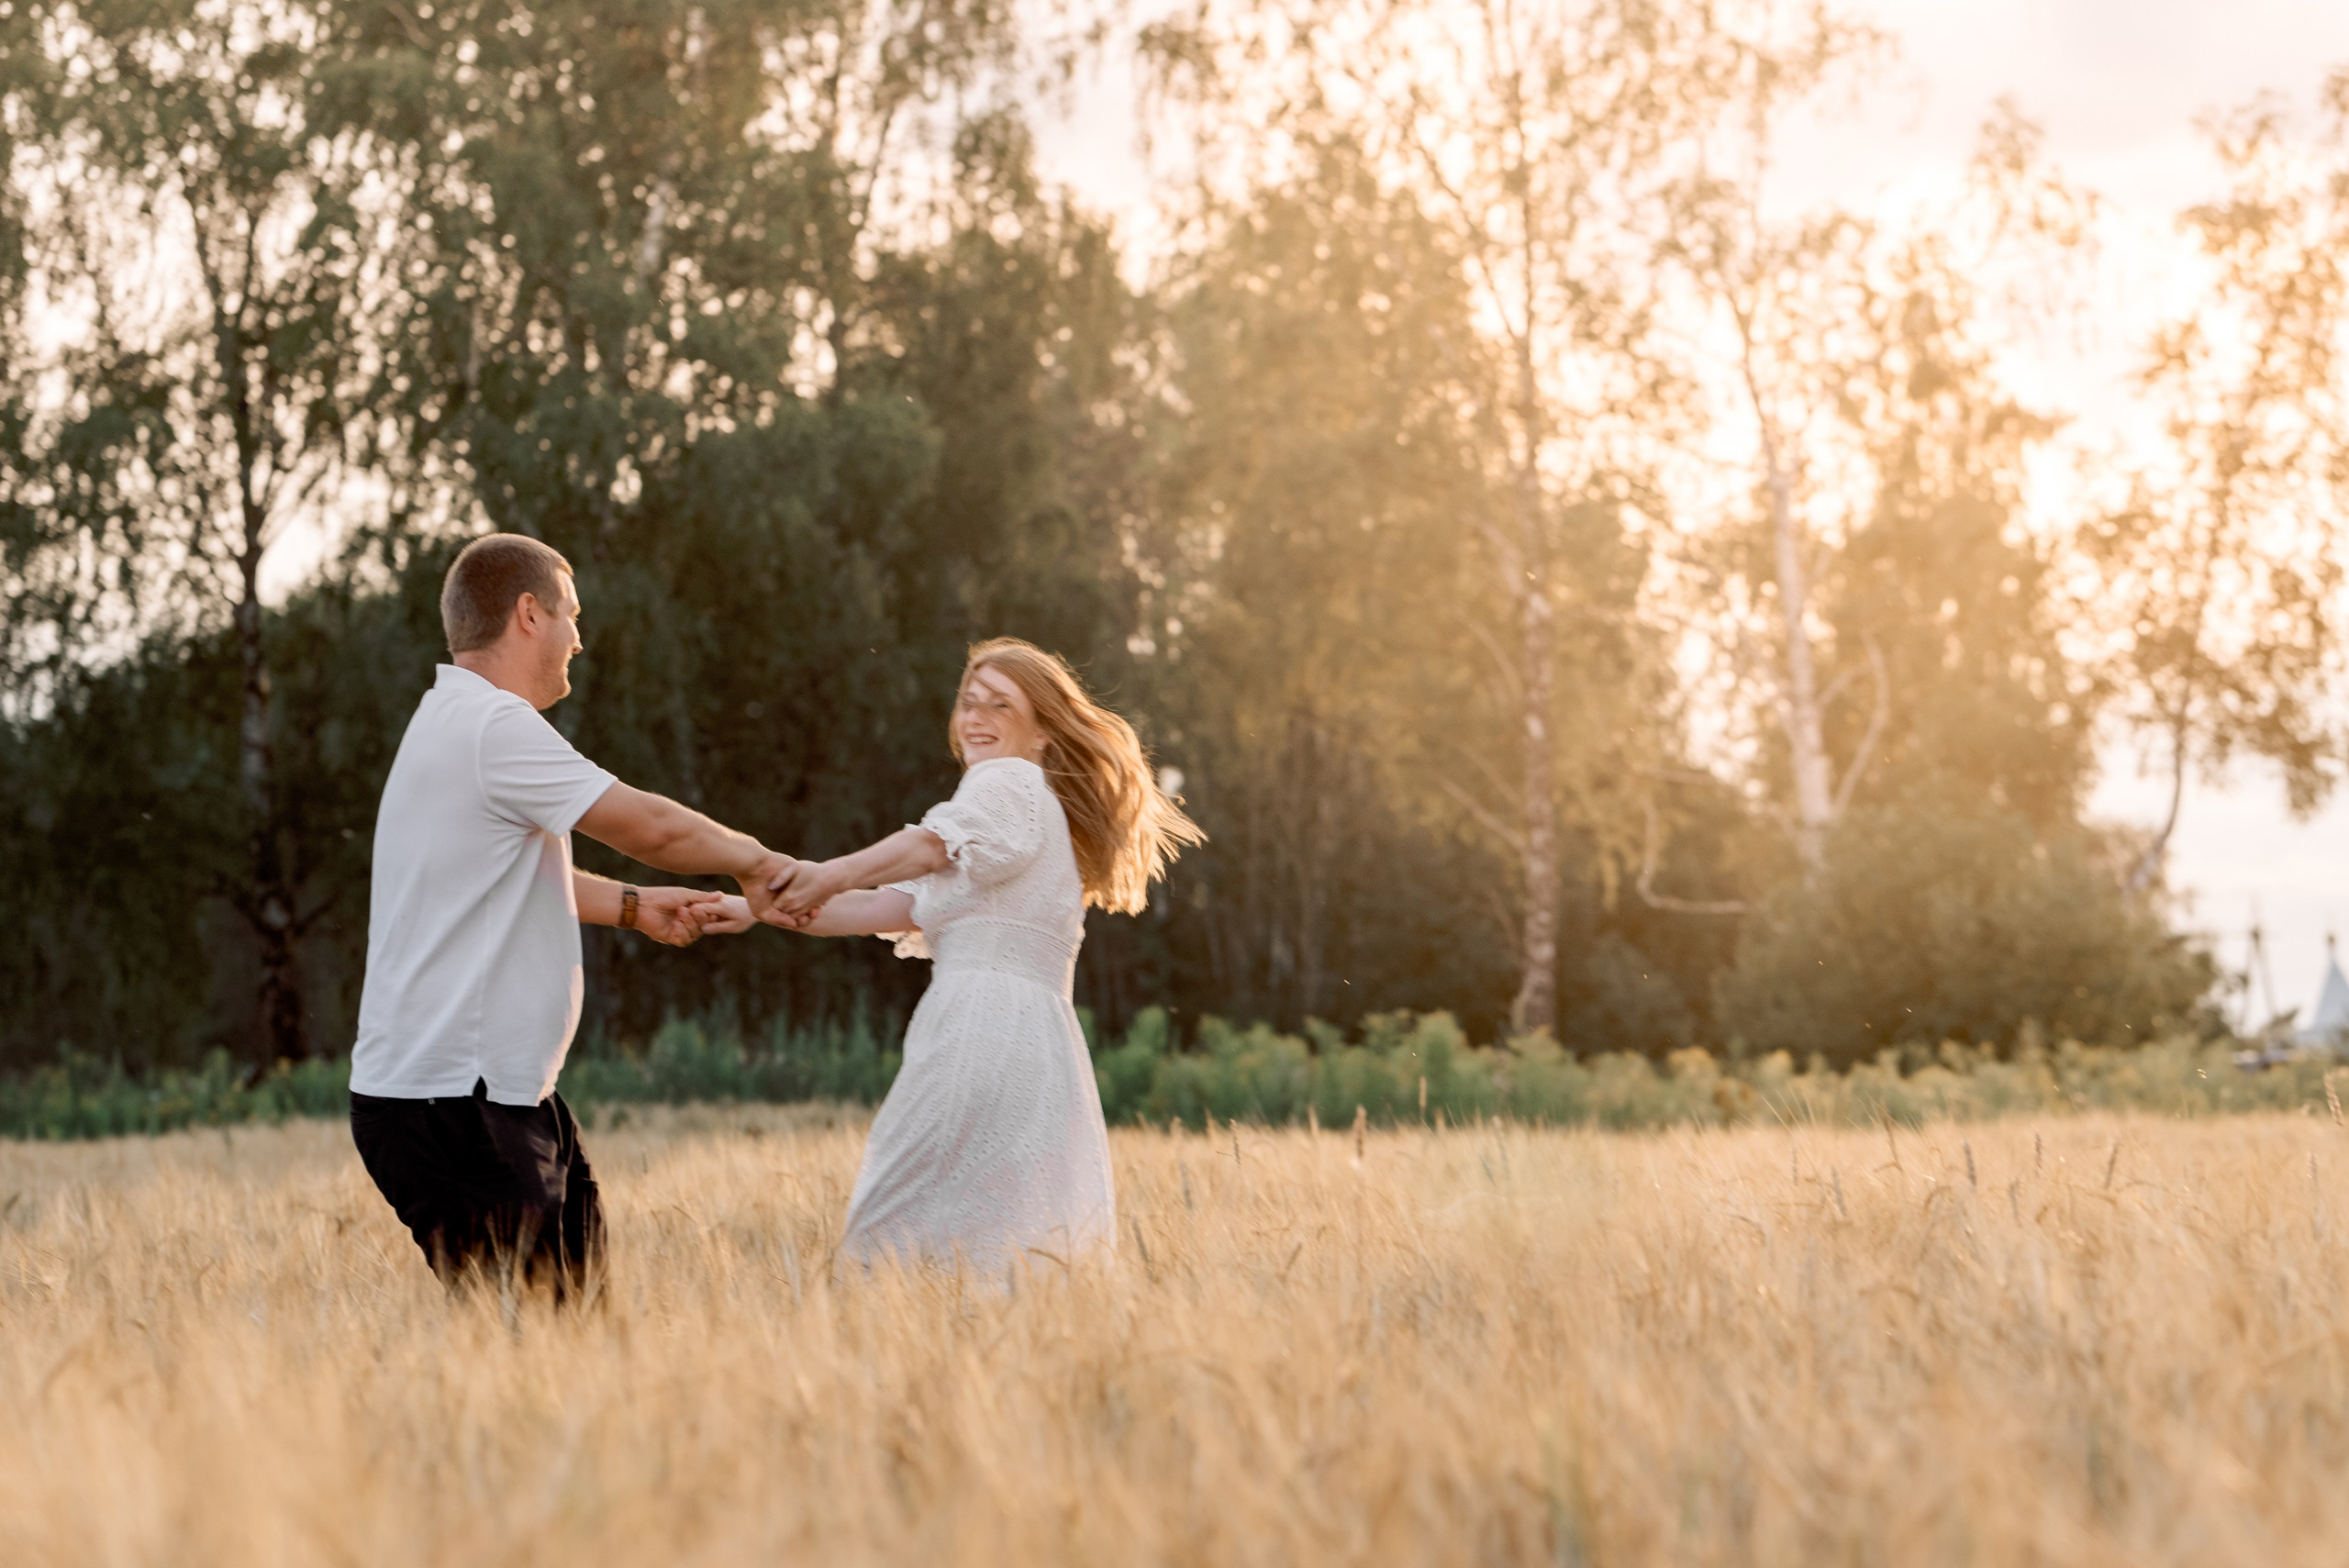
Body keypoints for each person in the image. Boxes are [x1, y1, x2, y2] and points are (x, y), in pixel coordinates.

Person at [349, 534, 792, 1302]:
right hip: (456, 1102)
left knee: (573, 1332)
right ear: (529, 613)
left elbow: (511, 876)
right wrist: (764, 864)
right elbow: (648, 826)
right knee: (535, 1344)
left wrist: (633, 907)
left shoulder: (452, 720)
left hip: (496, 1096)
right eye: (571, 615)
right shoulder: (494, 728)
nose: (579, 639)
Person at [706, 638, 1202, 1273]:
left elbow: (927, 849)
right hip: (1038, 1040)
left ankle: (885, 1352)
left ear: (1043, 729)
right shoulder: (1021, 816)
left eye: (1000, 705)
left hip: (982, 1024)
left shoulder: (1009, 784)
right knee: (1011, 1233)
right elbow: (875, 909)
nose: (976, 718)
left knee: (898, 1226)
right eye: (969, 702)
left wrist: (827, 872)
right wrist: (750, 909)